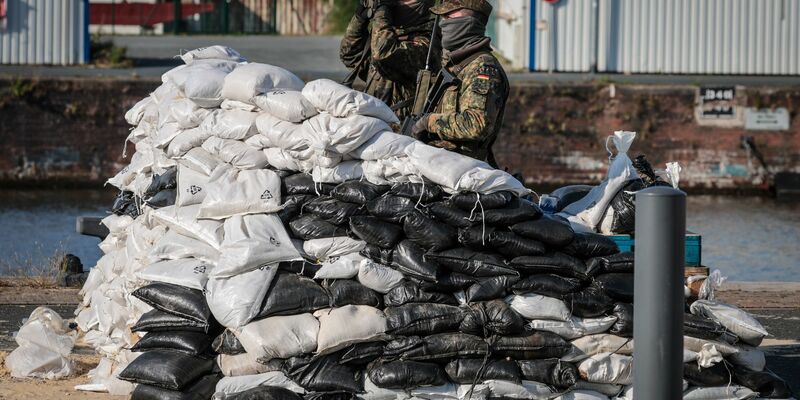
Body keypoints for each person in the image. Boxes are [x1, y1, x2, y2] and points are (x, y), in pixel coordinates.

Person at [410, 0, 509, 165]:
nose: (443, 23)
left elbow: (477, 124)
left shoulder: (482, 68)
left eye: (449, 16)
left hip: (461, 167)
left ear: (469, 22)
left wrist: (429, 122)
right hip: (438, 160)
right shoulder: (456, 65)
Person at [340, 0, 439, 120]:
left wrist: (382, 10)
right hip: (373, 124)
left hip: (399, 131)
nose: (396, 3)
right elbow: (350, 56)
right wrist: (360, 18)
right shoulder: (387, 35)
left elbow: (383, 52)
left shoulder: (428, 42)